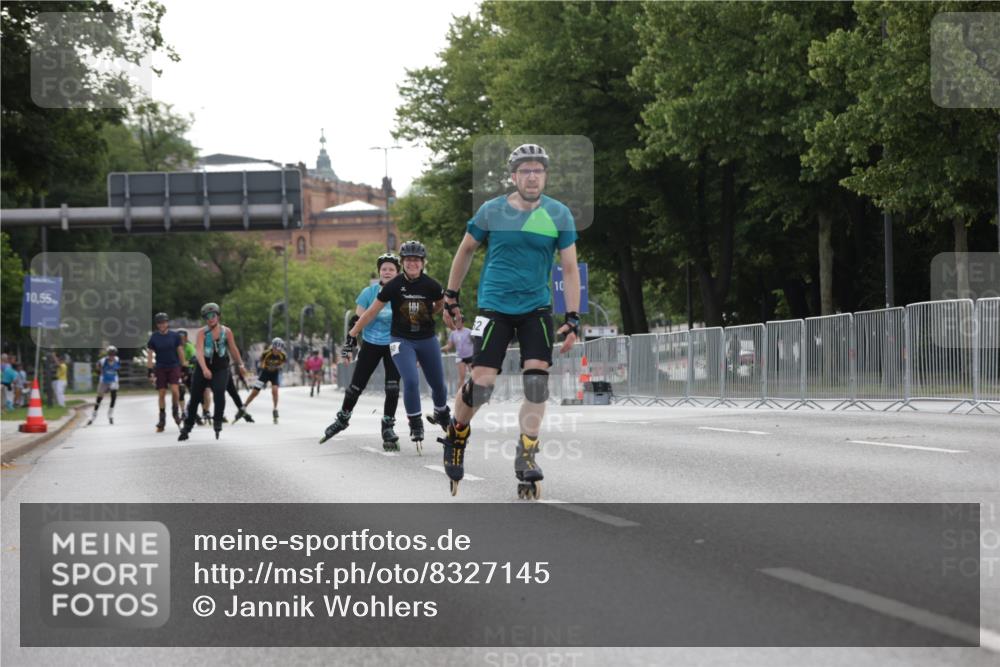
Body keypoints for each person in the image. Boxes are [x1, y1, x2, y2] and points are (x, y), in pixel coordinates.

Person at [439, 143, 580, 498]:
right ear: (514, 176)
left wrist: (573, 316)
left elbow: (569, 268)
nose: (532, 176)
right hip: (494, 307)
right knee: (482, 384)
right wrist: (450, 296)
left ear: (545, 176)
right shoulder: (491, 210)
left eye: (538, 170)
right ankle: (457, 432)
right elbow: (466, 250)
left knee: (537, 382)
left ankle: (527, 452)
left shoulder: (559, 214)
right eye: (525, 170)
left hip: (536, 307)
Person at [345, 241, 449, 450]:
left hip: (427, 338)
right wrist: (352, 334)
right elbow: (371, 312)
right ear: (403, 263)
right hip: (401, 340)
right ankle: (416, 423)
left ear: (423, 263)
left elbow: (440, 303)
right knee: (410, 381)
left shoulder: (431, 285)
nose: (412, 263)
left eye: (416, 260)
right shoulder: (394, 285)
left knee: (438, 384)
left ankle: (441, 413)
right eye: (408, 260)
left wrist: (431, 313)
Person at [319, 252, 403, 450]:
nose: (387, 272)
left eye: (391, 269)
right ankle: (343, 418)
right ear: (379, 272)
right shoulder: (368, 292)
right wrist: (348, 348)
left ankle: (388, 426)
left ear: (397, 272)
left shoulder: (402, 292)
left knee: (392, 387)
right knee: (356, 387)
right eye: (384, 269)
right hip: (371, 343)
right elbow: (356, 321)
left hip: (394, 344)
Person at [178, 303, 247, 441]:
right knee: (195, 397)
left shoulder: (226, 331)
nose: (211, 319)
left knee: (219, 391)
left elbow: (233, 349)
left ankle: (217, 420)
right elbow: (199, 351)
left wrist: (240, 364)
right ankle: (188, 426)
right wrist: (204, 369)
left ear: (218, 316)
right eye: (207, 317)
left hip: (221, 367)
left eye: (213, 315)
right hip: (203, 366)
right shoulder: (202, 333)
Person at [146, 312, 186, 432]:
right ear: (157, 325)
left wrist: (184, 366)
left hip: (174, 366)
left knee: (175, 390)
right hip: (160, 367)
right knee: (162, 393)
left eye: (164, 322)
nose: (162, 325)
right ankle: (162, 419)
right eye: (159, 323)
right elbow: (150, 354)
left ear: (167, 323)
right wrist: (149, 370)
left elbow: (180, 351)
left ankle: (175, 411)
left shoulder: (175, 336)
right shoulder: (154, 337)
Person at [241, 337, 287, 424]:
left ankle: (275, 409)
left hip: (274, 374)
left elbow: (282, 364)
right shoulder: (266, 353)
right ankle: (244, 406)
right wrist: (267, 367)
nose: (277, 351)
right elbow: (261, 363)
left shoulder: (283, 355)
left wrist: (277, 367)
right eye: (275, 349)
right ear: (272, 347)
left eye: (279, 350)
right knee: (255, 392)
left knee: (275, 390)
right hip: (265, 373)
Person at [87, 346, 121, 425]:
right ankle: (94, 415)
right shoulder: (102, 361)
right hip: (104, 381)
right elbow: (97, 368)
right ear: (108, 354)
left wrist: (115, 374)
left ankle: (110, 414)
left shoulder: (117, 360)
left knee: (113, 396)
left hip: (113, 380)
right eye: (110, 354)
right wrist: (100, 372)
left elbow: (118, 369)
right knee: (99, 398)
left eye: (113, 354)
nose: (112, 356)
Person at [441, 314, 475, 390]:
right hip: (460, 357)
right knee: (462, 377)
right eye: (455, 321)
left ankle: (473, 392)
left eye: (459, 321)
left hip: (470, 356)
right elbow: (449, 346)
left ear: (463, 322)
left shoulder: (469, 331)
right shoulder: (453, 333)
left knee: (474, 376)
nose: (457, 323)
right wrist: (439, 349)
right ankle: (459, 394)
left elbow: (475, 342)